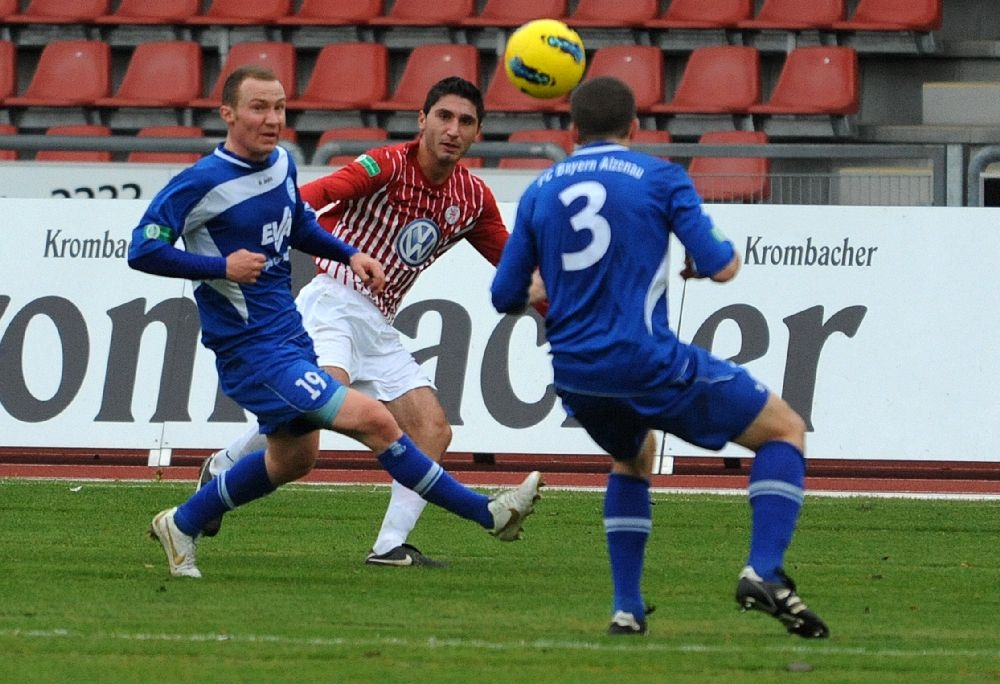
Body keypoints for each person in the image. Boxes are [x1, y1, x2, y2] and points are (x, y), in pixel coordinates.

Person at [128, 65, 542, 579]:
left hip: (356, 321)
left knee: (322, 452)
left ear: (478, 132)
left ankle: (379, 543)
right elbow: (144, 248)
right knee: (365, 416)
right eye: (443, 116)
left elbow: (297, 220)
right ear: (422, 120)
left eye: (280, 107)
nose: (453, 130)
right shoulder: (381, 165)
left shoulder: (282, 164)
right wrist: (224, 265)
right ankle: (489, 512)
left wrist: (350, 253)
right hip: (315, 313)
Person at [490, 76, 829, 639]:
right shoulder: (661, 176)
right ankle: (764, 571)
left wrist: (542, 287)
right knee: (785, 430)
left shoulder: (540, 190)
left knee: (634, 455)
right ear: (635, 128)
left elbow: (504, 297)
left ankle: (627, 608)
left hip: (574, 374)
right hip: (646, 361)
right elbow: (722, 265)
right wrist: (702, 259)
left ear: (571, 131)